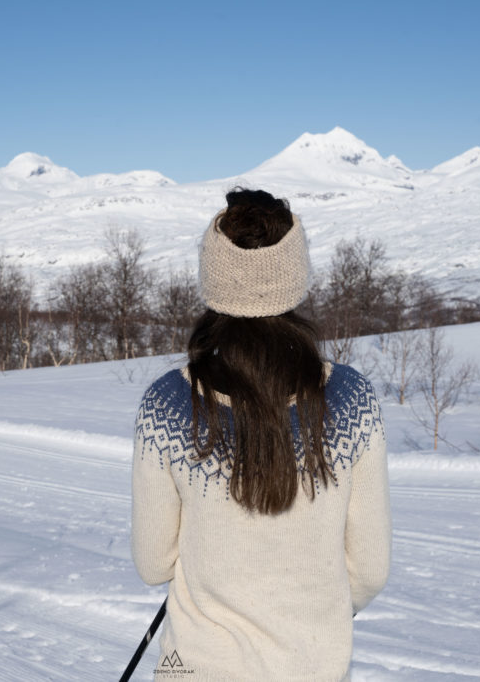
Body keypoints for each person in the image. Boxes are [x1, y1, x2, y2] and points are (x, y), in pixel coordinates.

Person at [131, 187, 391, 681]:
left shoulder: (169, 403)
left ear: (214, 279)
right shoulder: (351, 400)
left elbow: (153, 563)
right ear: (295, 277)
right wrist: (317, 617)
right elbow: (370, 568)